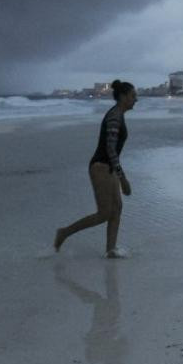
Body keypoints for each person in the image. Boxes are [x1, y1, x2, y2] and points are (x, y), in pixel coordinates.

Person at [54, 80, 136, 258]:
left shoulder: (119, 114)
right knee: (104, 213)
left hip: (109, 167)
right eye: (132, 96)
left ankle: (111, 250)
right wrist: (123, 179)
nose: (135, 100)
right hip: (100, 167)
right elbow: (110, 149)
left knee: (117, 208)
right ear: (123, 97)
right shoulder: (115, 116)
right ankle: (64, 233)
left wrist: (117, 174)